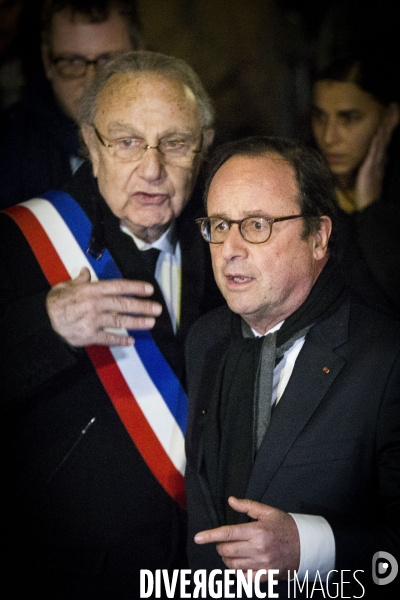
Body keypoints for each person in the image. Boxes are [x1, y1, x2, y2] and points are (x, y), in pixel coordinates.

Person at [0, 50, 220, 599]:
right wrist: (47, 323)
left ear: (205, 145)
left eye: (174, 143)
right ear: (90, 146)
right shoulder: (16, 242)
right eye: (126, 142)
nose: (152, 168)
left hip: (202, 574)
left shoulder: (233, 241)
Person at [184, 136, 400, 598]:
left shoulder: (387, 358)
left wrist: (309, 548)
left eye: (257, 225)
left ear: (318, 236)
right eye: (220, 225)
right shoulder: (205, 339)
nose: (230, 249)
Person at [0, 0, 143, 208]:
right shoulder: (8, 150)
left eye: (109, 61)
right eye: (72, 62)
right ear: (47, 61)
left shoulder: (188, 142)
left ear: (140, 54)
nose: (92, 81)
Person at [311, 55, 400, 316]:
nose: (329, 137)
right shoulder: (303, 189)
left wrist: (371, 212)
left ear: (390, 117)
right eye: (319, 117)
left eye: (349, 118)